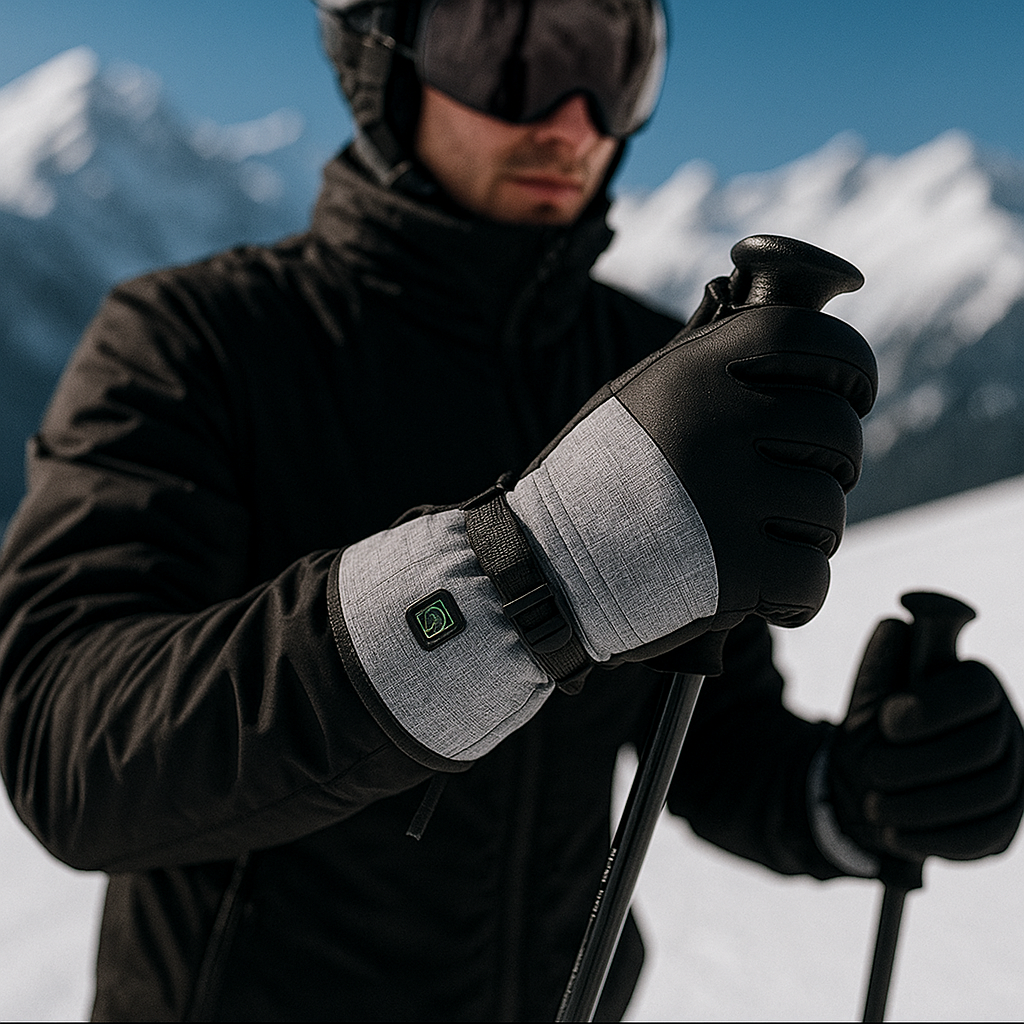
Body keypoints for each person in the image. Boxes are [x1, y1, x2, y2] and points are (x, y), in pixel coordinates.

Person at [0, 2, 1021, 1020]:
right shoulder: (197, 345)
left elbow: (710, 737)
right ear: (382, 58)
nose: (573, 123)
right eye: (508, 56)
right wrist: (525, 578)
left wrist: (860, 792)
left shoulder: (655, 371)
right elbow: (71, 751)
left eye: (615, 63)